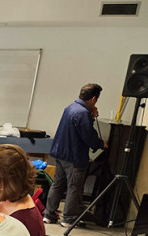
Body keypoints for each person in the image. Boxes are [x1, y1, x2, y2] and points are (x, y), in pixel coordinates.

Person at [43, 83, 107, 228]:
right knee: (74, 187)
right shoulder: (83, 113)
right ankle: (69, 219)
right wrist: (100, 144)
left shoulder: (70, 107)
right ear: (94, 98)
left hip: (60, 153)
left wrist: (91, 115)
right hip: (74, 156)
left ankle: (49, 214)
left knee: (57, 185)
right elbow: (88, 135)